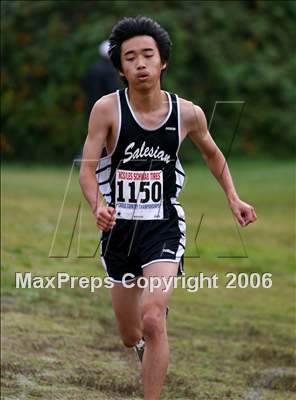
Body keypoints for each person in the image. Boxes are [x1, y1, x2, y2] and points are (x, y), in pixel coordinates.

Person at [79, 16, 257, 400]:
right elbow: (88, 170)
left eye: (148, 55)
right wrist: (97, 205)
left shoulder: (187, 113)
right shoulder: (107, 110)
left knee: (152, 318)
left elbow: (212, 154)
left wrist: (233, 196)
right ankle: (144, 341)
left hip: (163, 225)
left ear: (163, 63)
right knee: (131, 335)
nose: (140, 63)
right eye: (130, 58)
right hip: (119, 230)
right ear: (121, 69)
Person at [82, 40, 120, 118]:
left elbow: (84, 85)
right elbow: (112, 89)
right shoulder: (110, 70)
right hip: (106, 109)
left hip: (92, 107)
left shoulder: (93, 68)